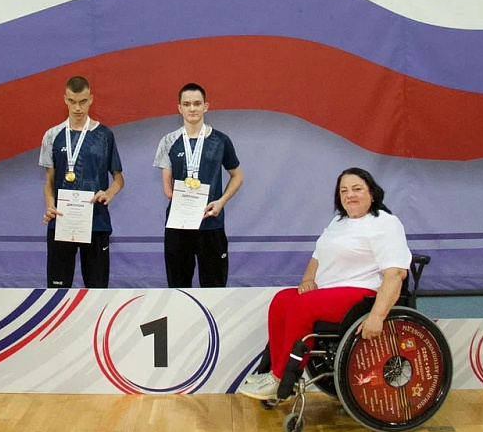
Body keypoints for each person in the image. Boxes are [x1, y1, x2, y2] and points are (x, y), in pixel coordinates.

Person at [238, 168, 411, 400]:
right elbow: (317, 257)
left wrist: (377, 317)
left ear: (372, 193)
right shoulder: (338, 222)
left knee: (302, 306)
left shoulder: (385, 223)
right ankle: (274, 371)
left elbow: (396, 274)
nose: (350, 195)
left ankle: (282, 378)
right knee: (282, 300)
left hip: (363, 294)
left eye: (357, 189)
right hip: (329, 292)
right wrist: (308, 279)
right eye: (344, 191)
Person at [153, 83, 243, 287]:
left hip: (211, 222)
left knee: (214, 288)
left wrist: (221, 201)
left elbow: (237, 176)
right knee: (178, 287)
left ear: (206, 106)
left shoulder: (221, 140)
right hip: (179, 225)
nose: (192, 108)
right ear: (179, 108)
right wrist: (185, 199)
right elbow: (168, 190)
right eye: (187, 104)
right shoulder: (168, 141)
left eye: (197, 103)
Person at [40, 76, 124, 288]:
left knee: (97, 291)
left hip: (96, 221)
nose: (77, 108)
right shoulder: (52, 135)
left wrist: (109, 193)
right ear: (65, 100)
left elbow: (118, 179)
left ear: (91, 99)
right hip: (62, 221)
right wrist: (50, 206)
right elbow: (49, 180)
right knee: (58, 292)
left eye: (83, 101)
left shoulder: (104, 135)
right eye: (72, 101)